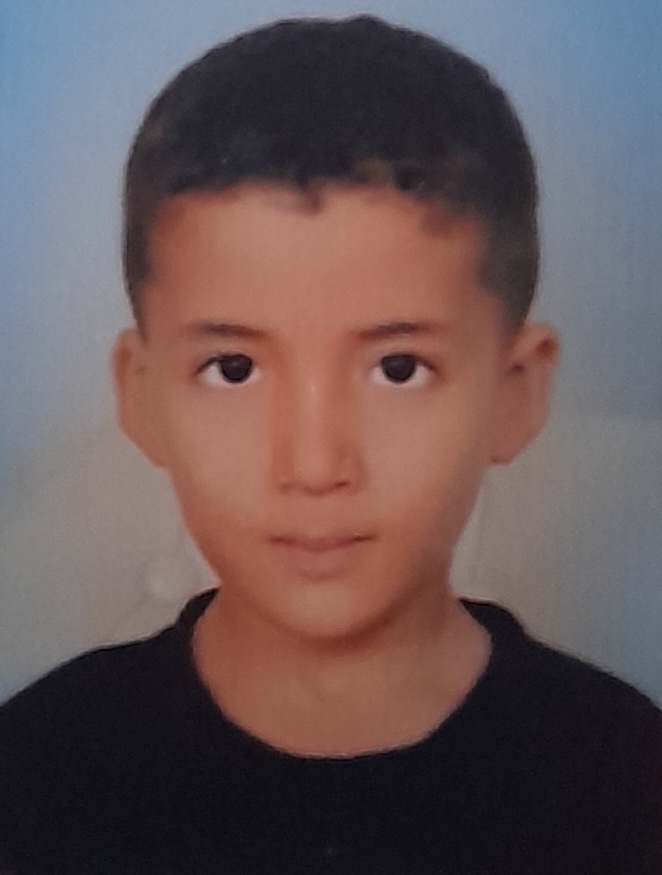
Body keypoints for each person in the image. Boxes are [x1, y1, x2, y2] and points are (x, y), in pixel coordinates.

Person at [0, 14, 660, 875]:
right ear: (142, 395)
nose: (314, 465)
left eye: (399, 369)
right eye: (233, 368)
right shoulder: (35, 776)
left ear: (515, 392)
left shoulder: (625, 778)